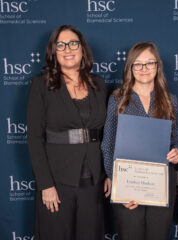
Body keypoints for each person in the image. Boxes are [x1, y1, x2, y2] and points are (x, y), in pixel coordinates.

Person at [27, 25, 109, 240]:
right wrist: (46, 185)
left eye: (73, 43)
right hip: (57, 179)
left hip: (94, 180)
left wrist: (109, 173)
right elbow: (35, 138)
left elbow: (109, 133)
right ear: (53, 52)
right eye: (60, 45)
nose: (67, 49)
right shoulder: (40, 85)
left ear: (82, 49)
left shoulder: (99, 84)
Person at [101, 41, 178, 240]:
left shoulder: (171, 100)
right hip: (128, 180)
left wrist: (177, 152)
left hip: (161, 181)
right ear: (130, 67)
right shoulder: (117, 98)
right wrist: (118, 184)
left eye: (149, 63)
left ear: (157, 66)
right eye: (138, 64)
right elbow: (108, 143)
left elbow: (176, 139)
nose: (144, 69)